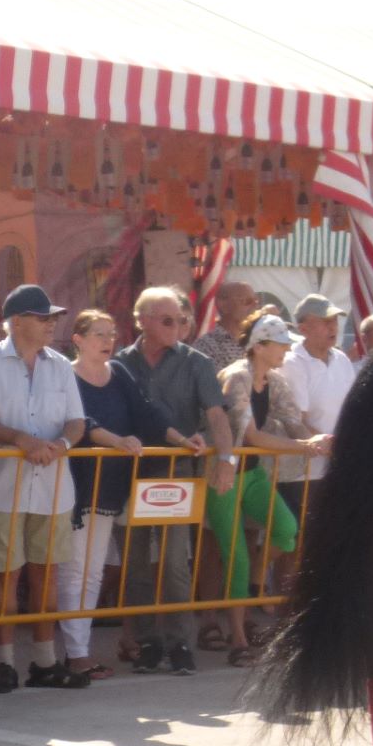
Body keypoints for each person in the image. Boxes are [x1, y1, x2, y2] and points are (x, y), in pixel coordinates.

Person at [56, 309, 196, 679]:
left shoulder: (119, 373)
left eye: (111, 333)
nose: (107, 341)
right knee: (74, 571)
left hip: (111, 485)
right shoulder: (64, 374)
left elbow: (146, 414)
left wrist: (183, 440)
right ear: (78, 339)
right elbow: (80, 422)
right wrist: (116, 441)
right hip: (77, 483)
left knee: (92, 572)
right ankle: (76, 654)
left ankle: (80, 651)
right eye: (99, 334)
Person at [0, 285, 89, 694]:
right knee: (5, 575)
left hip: (53, 486)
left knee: (46, 574)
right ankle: (4, 663)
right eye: (43, 318)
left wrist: (61, 445)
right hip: (2, 485)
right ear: (17, 321)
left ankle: (44, 661)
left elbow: (77, 422)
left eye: (52, 318)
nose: (51, 324)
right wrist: (21, 439)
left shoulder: (60, 365)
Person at [117, 287, 235, 676]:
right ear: (142, 321)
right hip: (129, 473)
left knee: (173, 562)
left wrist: (225, 458)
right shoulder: (121, 363)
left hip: (177, 474)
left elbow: (217, 415)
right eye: (168, 320)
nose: (178, 327)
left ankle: (180, 641)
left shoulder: (196, 362)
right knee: (134, 563)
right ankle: (149, 642)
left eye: (183, 320)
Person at [213, 311, 326, 664]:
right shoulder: (237, 377)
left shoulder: (274, 381)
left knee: (287, 530)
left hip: (251, 474)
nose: (286, 350)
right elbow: (252, 435)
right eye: (280, 344)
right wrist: (307, 447)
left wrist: (317, 440)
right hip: (221, 476)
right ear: (259, 346)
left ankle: (255, 581)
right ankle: (238, 640)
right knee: (237, 557)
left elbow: (293, 422)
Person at [277, 294, 355, 527]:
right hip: (301, 472)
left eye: (334, 320)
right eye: (325, 321)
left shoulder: (341, 359)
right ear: (303, 328)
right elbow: (296, 421)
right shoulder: (292, 362)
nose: (333, 326)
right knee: (293, 542)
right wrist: (330, 446)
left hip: (335, 469)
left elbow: (352, 409)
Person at [192, 278, 258, 373]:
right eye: (247, 301)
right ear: (223, 305)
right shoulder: (206, 346)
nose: (255, 306)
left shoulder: (257, 341)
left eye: (256, 301)